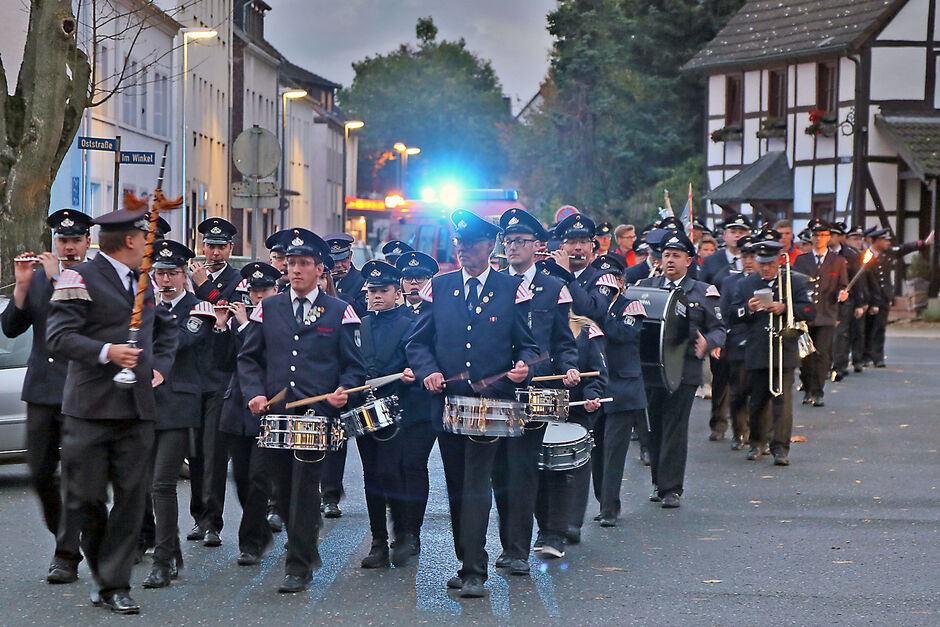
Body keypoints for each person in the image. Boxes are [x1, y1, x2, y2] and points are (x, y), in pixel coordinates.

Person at [46, 206, 178, 614]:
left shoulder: (144, 281)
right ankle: (103, 567)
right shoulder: (79, 277)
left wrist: (159, 366)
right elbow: (58, 337)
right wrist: (107, 351)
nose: (150, 248)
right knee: (86, 499)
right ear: (131, 241)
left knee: (131, 500)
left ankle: (115, 585)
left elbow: (165, 330)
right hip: (89, 408)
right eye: (146, 240)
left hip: (136, 410)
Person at [406, 210, 539, 598]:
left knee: (477, 483)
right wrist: (428, 370)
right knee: (458, 487)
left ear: (490, 246)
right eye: (459, 243)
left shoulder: (511, 288)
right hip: (448, 403)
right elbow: (417, 342)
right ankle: (467, 559)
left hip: (492, 406)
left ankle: (474, 572)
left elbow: (529, 346)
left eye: (472, 244)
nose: (463, 250)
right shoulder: (439, 286)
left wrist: (523, 367)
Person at [238, 228, 367, 593]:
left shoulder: (340, 311)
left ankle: (298, 566)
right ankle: (305, 550)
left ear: (320, 269)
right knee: (279, 491)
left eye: (304, 263)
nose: (295, 270)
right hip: (276, 416)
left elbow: (354, 367)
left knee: (305, 491)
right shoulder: (269, 308)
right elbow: (249, 358)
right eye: (291, 263)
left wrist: (344, 392)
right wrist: (254, 393)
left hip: (316, 417)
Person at [1, 208, 92, 584]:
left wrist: (59, 280)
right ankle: (67, 534)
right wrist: (22, 286)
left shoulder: (95, 278)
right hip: (41, 389)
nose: (68, 247)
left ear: (87, 242)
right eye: (62, 240)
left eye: (75, 240)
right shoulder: (37, 278)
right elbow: (10, 329)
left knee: (75, 474)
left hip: (79, 388)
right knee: (39, 471)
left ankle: (66, 555)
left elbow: (87, 323)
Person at [493, 208, 579, 566]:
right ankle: (509, 544)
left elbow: (563, 342)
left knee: (524, 469)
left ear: (536, 246)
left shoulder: (553, 287)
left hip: (538, 391)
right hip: (499, 392)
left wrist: (570, 368)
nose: (512, 247)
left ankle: (518, 550)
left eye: (520, 241)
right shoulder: (494, 284)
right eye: (508, 241)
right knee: (500, 472)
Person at [142, 239, 215, 588]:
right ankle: (168, 549)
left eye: (172, 273)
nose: (166, 280)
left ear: (185, 275)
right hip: (144, 403)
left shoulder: (200, 309)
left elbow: (181, 342)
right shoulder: (145, 307)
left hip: (178, 405)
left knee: (162, 484)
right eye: (160, 273)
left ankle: (162, 560)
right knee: (143, 482)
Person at [637, 232, 725, 508]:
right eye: (666, 255)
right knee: (654, 426)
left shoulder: (702, 291)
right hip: (652, 369)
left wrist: (708, 343)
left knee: (675, 426)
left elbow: (719, 329)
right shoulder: (646, 287)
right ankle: (658, 481)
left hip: (685, 368)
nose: (670, 261)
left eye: (676, 256)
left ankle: (671, 488)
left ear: (689, 260)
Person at [211, 262, 283, 566]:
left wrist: (244, 326)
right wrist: (221, 326)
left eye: (264, 290)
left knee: (258, 477)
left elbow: (265, 358)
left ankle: (250, 542)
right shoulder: (239, 320)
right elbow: (222, 362)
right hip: (236, 407)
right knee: (240, 478)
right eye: (254, 291)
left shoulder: (280, 319)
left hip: (268, 406)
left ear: (276, 290)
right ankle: (259, 528)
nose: (259, 296)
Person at [729, 241, 816, 465]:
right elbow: (732, 315)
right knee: (757, 400)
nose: (766, 268)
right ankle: (757, 443)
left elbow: (810, 310)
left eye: (771, 263)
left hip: (784, 348)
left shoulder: (793, 281)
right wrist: (748, 308)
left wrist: (785, 308)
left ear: (779, 261)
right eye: (763, 263)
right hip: (757, 349)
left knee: (782, 403)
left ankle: (781, 448)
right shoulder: (746, 284)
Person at [356, 260, 418, 568]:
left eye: (383, 291)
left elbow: (419, 360)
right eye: (372, 291)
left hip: (397, 410)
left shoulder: (410, 323)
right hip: (365, 410)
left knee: (393, 473)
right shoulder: (361, 324)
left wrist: (412, 373)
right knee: (371, 476)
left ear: (397, 292)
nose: (377, 296)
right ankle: (378, 541)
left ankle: (403, 534)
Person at [187, 217, 241, 547]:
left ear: (231, 249)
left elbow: (228, 311)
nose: (215, 252)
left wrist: (204, 285)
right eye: (210, 246)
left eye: (221, 247)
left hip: (221, 377)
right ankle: (198, 516)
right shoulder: (189, 278)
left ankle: (213, 522)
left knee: (215, 453)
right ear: (202, 247)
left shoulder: (238, 280)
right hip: (191, 376)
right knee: (195, 454)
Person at [591, 255, 648, 527]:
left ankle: (609, 507)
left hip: (623, 388)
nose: (606, 285)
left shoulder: (632, 306)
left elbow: (622, 334)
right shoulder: (590, 307)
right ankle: (602, 499)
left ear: (622, 282)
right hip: (596, 386)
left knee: (613, 451)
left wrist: (600, 311)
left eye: (612, 279)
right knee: (596, 450)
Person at [394, 250, 439, 553]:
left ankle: (412, 531)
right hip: (394, 401)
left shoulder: (438, 311)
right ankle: (398, 528)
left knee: (413, 465)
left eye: (420, 278)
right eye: (409, 278)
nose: (414, 283)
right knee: (393, 468)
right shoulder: (392, 313)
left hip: (423, 402)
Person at [320, 232, 367, 518]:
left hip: (343, 367)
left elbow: (360, 317)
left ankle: (330, 494)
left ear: (350, 257)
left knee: (336, 437)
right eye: (333, 262)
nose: (339, 266)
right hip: (315, 370)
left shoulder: (362, 283)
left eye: (343, 260)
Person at [792, 219, 848, 407]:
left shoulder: (838, 261)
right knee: (806, 355)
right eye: (815, 235)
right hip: (805, 315)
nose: (819, 239)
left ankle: (818, 391)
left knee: (822, 353)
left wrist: (843, 293)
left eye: (823, 235)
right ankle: (808, 388)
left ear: (829, 237)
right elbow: (795, 285)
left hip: (827, 314)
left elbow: (842, 285)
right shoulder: (801, 260)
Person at [863, 228, 934, 367]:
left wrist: (923, 243)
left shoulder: (889, 253)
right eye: (885, 240)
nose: (888, 243)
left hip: (884, 296)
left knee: (879, 328)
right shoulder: (866, 255)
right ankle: (865, 356)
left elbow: (904, 248)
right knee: (867, 327)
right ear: (876, 241)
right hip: (869, 297)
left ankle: (878, 357)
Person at [717, 235, 759, 450]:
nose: (749, 261)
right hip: (738, 341)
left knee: (760, 392)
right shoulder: (730, 281)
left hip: (762, 341)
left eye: (753, 256)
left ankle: (759, 434)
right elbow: (725, 313)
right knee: (738, 391)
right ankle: (739, 432)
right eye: (745, 256)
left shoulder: (766, 280)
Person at [551, 213, 618, 320]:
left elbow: (591, 310)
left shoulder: (604, 278)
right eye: (572, 242)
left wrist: (567, 275)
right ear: (561, 248)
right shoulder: (552, 277)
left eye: (583, 242)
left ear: (591, 246)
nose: (578, 247)